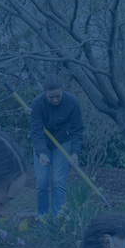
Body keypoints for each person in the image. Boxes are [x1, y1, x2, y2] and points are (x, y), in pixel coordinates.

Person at [29, 74, 85, 215]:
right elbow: (36, 131)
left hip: (63, 143)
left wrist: (75, 152)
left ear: (62, 90)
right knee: (41, 182)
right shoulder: (37, 104)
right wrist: (41, 152)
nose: (55, 100)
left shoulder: (72, 102)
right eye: (51, 97)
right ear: (44, 93)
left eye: (58, 96)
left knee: (58, 182)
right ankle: (42, 218)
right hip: (42, 144)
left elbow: (77, 130)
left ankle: (58, 219)